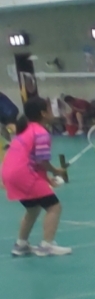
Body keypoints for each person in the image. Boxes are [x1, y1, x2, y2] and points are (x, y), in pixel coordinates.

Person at [4, 97, 70, 257]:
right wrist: (55, 171)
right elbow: (41, 161)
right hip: (23, 173)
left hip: (9, 172)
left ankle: (21, 245)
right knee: (54, 207)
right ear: (43, 113)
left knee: (33, 208)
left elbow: (33, 160)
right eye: (50, 109)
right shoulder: (41, 133)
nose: (53, 112)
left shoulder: (25, 129)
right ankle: (46, 245)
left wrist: (47, 179)